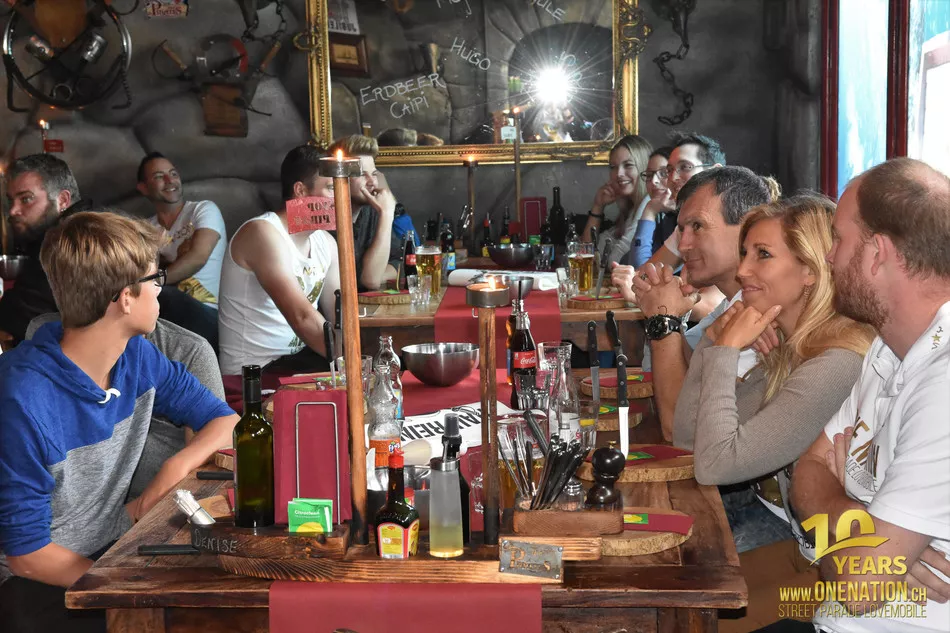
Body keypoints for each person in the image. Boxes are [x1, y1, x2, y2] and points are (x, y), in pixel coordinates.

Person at [0, 211, 237, 633]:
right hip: (33, 581)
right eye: (155, 279)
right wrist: (124, 587)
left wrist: (174, 469)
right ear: (125, 298)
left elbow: (224, 420)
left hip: (109, 545)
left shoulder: (136, 356)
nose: (161, 291)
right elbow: (27, 555)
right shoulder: (22, 399)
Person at [754, 158, 950, 633]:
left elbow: (858, 587)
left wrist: (838, 519)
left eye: (838, 240)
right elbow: (807, 470)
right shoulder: (887, 346)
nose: (828, 257)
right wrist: (854, 515)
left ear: (877, 254)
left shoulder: (943, 383)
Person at [673, 195, 875, 555]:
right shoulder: (790, 345)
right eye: (744, 253)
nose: (742, 271)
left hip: (820, 553)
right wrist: (712, 340)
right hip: (783, 523)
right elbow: (688, 440)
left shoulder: (836, 363)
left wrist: (726, 351)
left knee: (688, 557)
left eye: (762, 254)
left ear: (810, 269)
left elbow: (715, 465)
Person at [623, 167, 773, 439]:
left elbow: (678, 429)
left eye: (697, 226)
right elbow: (693, 382)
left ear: (747, 227)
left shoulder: (761, 314)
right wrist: (672, 316)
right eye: (682, 230)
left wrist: (663, 320)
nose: (683, 246)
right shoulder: (732, 304)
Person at [25, 312, 225, 500]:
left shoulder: (187, 350)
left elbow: (220, 440)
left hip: (159, 503)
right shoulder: (45, 334)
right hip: (72, 509)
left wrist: (173, 469)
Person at [217, 145, 341, 376]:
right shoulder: (262, 232)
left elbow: (340, 316)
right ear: (300, 190)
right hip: (254, 374)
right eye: (332, 188)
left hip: (298, 363)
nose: (341, 198)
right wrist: (353, 363)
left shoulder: (326, 242)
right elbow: (302, 317)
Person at [137, 152, 225, 351]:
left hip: (210, 312)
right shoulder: (146, 228)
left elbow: (198, 258)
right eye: (159, 176)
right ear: (143, 187)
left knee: (163, 296)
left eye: (173, 174)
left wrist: (155, 281)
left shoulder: (203, 210)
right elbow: (142, 269)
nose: (170, 181)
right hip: (166, 311)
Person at [0, 154, 92, 346]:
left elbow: (20, 318)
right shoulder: (51, 235)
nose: (13, 210)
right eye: (11, 201)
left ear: (63, 200)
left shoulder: (72, 240)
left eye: (26, 199)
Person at [326, 135, 401, 290]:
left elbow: (398, 262)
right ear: (338, 176)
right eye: (361, 174)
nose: (372, 182)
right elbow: (370, 281)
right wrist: (387, 214)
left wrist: (378, 274)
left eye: (374, 173)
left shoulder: (372, 210)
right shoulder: (325, 218)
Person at [581, 135, 653, 265]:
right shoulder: (630, 209)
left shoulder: (648, 203)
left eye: (628, 165)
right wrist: (598, 206)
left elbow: (615, 260)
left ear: (645, 168)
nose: (619, 173)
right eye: (613, 167)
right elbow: (585, 254)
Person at [625, 146, 675, 268]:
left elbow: (640, 268)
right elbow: (627, 260)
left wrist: (649, 210)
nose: (653, 181)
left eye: (663, 173)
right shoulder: (662, 215)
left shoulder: (685, 222)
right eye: (649, 175)